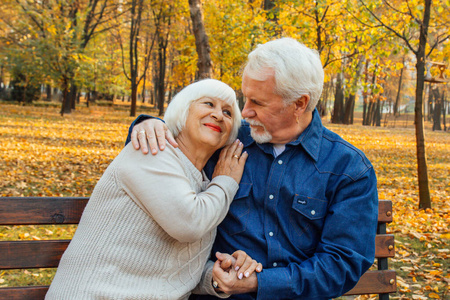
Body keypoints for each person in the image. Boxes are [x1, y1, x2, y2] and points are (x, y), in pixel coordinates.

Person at [127, 38, 379, 299]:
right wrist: (150, 125)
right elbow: (167, 150)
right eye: (244, 98)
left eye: (258, 103)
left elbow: (342, 265)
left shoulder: (348, 169)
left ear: (299, 104)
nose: (244, 112)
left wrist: (259, 282)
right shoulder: (227, 140)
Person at [46, 79, 263, 300]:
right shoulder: (153, 151)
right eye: (208, 104)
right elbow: (190, 224)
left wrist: (215, 276)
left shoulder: (205, 184)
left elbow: (171, 259)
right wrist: (226, 181)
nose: (218, 115)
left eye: (228, 112)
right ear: (183, 110)